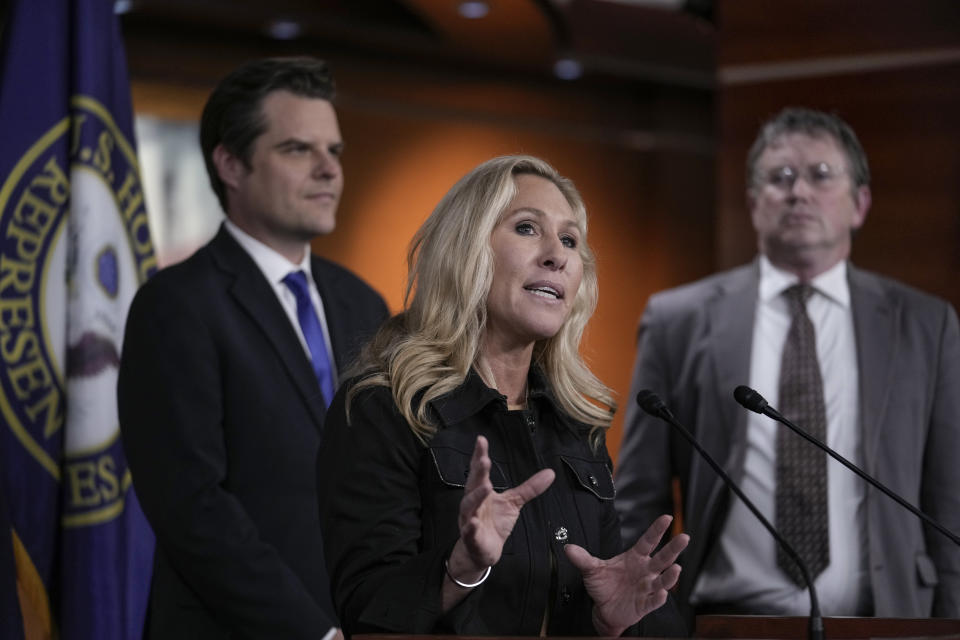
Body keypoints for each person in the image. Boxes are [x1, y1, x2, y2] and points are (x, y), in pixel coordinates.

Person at [316, 154, 689, 637]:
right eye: (528, 228)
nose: (557, 253)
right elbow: (366, 609)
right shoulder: (385, 407)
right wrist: (461, 567)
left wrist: (612, 622)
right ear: (466, 250)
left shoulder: (578, 430)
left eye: (570, 240)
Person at [615, 107, 960, 623]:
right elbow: (640, 497)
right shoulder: (677, 319)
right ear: (754, 205)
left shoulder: (926, 324)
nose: (799, 192)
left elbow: (948, 500)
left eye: (821, 175)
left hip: (887, 621)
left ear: (860, 203)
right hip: (724, 622)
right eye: (780, 178)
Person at [118, 57, 389, 639]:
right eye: (298, 150)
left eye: (335, 151)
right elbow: (193, 509)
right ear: (231, 163)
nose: (329, 171)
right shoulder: (176, 305)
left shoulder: (365, 305)